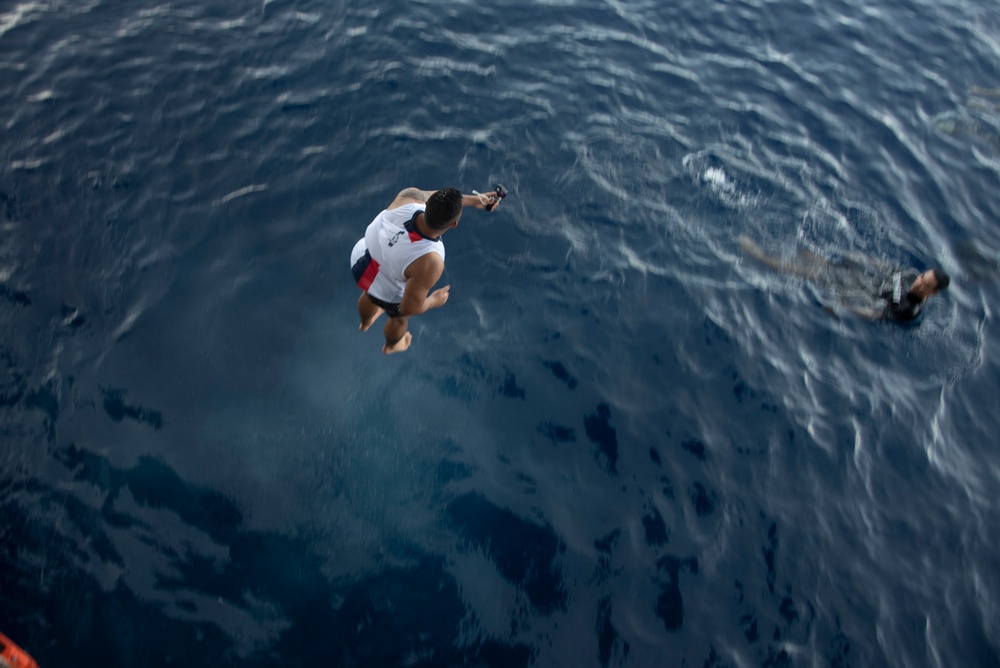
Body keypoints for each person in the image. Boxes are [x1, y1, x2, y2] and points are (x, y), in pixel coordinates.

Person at [350, 186, 501, 354]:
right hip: (386, 291)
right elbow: (409, 308)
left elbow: (430, 195)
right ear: (454, 224)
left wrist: (475, 200)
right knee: (399, 318)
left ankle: (365, 323)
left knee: (370, 295)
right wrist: (433, 301)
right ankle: (391, 346)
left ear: (427, 203)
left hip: (362, 262)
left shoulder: (407, 197)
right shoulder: (430, 260)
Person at [737, 234, 950, 322]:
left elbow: (875, 314)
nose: (919, 281)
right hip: (862, 276)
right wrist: (860, 257)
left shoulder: (908, 309)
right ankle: (770, 238)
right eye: (923, 277)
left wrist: (841, 307)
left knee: (806, 272)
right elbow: (887, 267)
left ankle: (759, 255)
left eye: (925, 285)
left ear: (933, 292)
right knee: (813, 257)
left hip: (859, 292)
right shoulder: (912, 274)